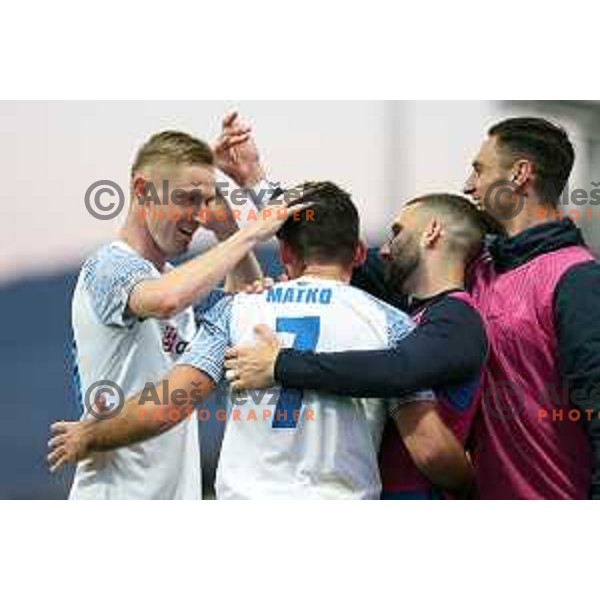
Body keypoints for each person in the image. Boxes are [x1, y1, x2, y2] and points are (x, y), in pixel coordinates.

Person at [48, 183, 473, 499]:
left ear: (285, 254)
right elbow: (431, 450)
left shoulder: (237, 312)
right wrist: (483, 480)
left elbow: (169, 405)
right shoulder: (391, 324)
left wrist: (93, 434)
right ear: (359, 253)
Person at [67, 112, 292, 499]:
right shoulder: (108, 265)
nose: (199, 215)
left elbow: (241, 303)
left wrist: (225, 225)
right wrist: (255, 231)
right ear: (143, 190)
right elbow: (165, 299)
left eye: (206, 201)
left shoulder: (177, 281)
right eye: (188, 199)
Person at [223, 193, 493, 498]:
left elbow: (398, 372)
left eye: (397, 231)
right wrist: (254, 181)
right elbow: (321, 233)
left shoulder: (456, 319)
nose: (386, 249)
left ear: (431, 232)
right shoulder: (407, 314)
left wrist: (281, 365)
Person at [463, 116, 600, 499]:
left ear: (520, 174)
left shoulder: (577, 279)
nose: (469, 185)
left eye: (479, 169)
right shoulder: (473, 269)